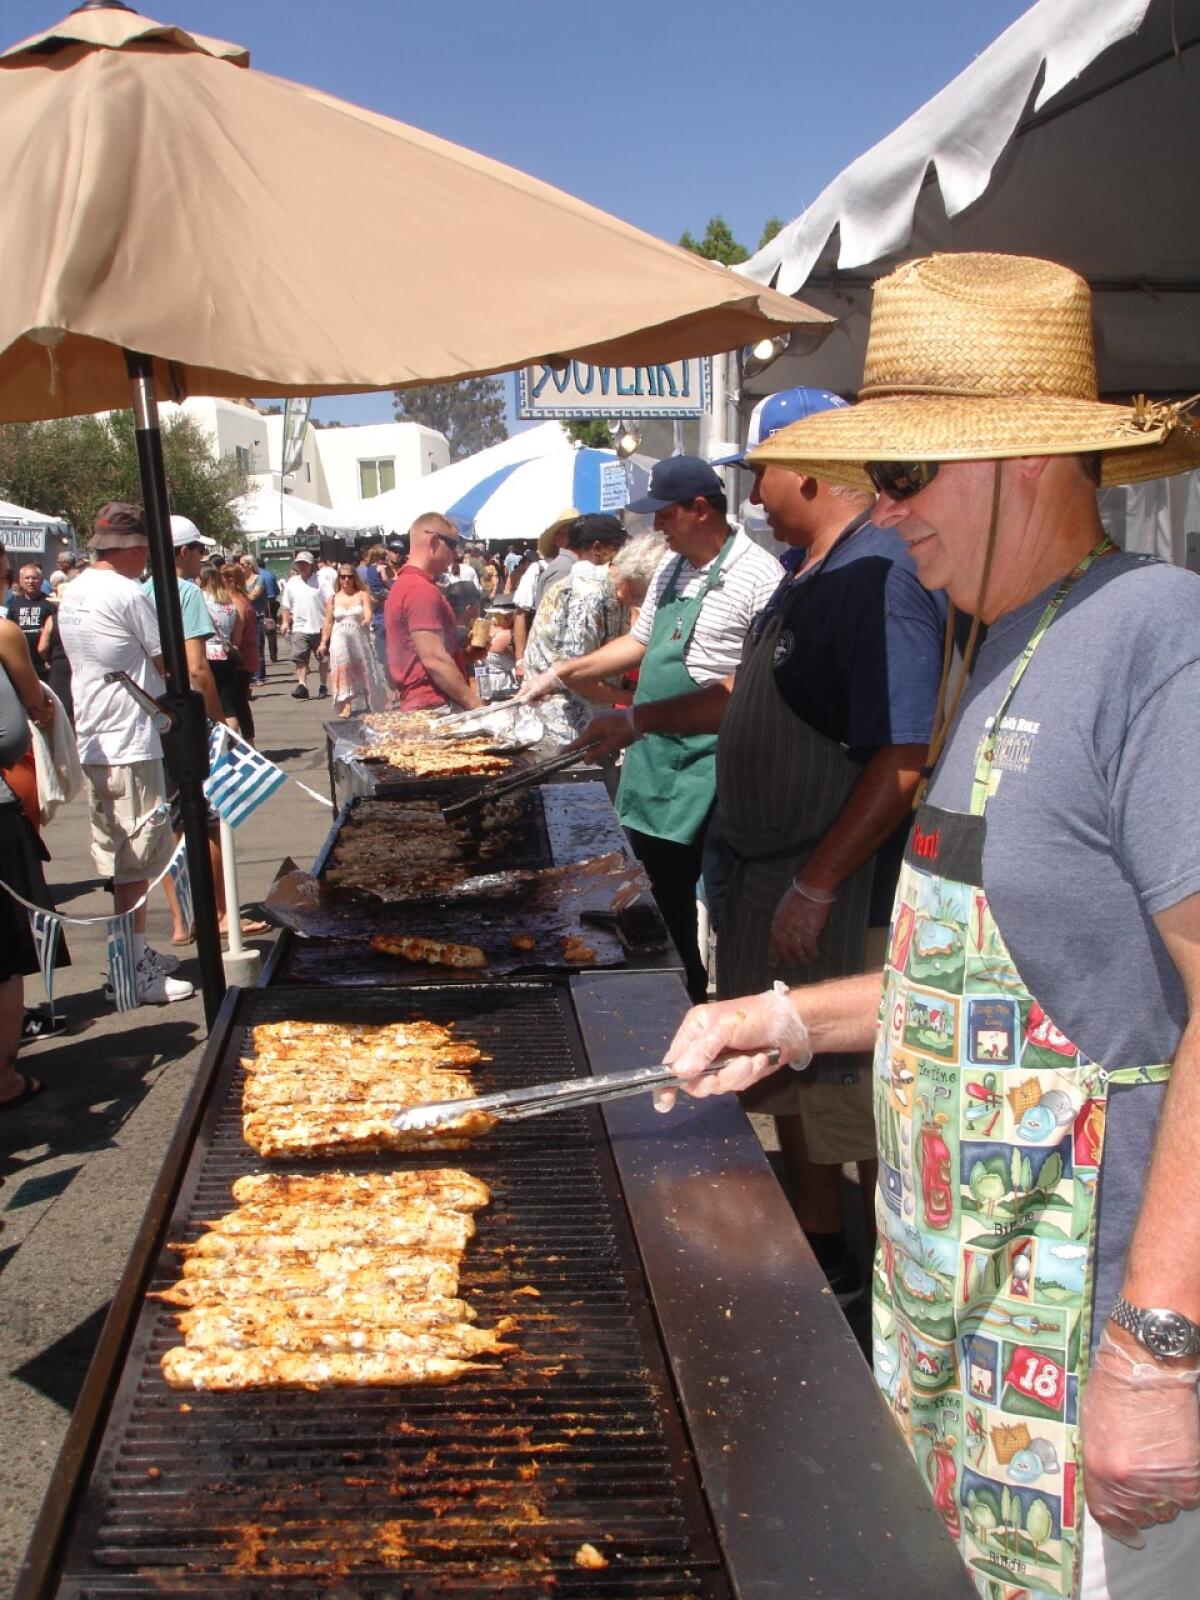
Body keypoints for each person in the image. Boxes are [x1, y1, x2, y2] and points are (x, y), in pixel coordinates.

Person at [656, 252, 1200, 1600]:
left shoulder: (1157, 641)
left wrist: (1157, 1348)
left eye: (906, 480)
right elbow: (990, 992)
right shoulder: (1003, 642)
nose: (890, 521)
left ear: (1023, 455)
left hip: (1083, 1328)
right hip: (952, 1296)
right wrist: (788, 1019)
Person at [580, 391, 947, 1306]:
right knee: (790, 1085)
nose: (753, 493)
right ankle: (818, 1245)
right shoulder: (803, 569)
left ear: (814, 467)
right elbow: (743, 696)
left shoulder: (880, 575)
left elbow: (905, 755)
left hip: (826, 876)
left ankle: (877, 1280)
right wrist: (640, 721)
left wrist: (818, 883)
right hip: (763, 865)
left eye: (762, 473)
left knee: (847, 1096)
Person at [522, 460, 782, 1000]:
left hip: (715, 768)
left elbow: (750, 688)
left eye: (664, 513)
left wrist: (633, 717)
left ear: (700, 509)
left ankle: (722, 1006)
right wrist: (563, 672)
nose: (657, 526)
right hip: (654, 760)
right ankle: (672, 998)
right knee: (656, 904)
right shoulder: (670, 568)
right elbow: (639, 643)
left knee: (721, 910)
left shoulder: (760, 577)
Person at [58, 504, 194, 1006]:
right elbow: (165, 661)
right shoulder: (126, 591)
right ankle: (131, 969)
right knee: (137, 858)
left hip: (96, 734)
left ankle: (130, 953)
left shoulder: (75, 590)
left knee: (121, 856)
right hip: (128, 737)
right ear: (134, 549)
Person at [0, 577, 64, 1104]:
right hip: (1, 807)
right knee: (6, 948)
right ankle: (3, 1078)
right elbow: (9, 734)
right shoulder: (2, 631)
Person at [522, 515, 630, 735]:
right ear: (599, 548)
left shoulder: (602, 588)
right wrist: (631, 699)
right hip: (564, 724)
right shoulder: (587, 592)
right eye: (621, 549)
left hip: (581, 719)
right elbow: (576, 675)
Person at [383, 514, 480, 711]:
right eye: (453, 545)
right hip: (434, 705)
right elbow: (434, 659)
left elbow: (418, 654)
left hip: (423, 703)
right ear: (434, 541)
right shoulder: (419, 589)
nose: (456, 554)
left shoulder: (407, 584)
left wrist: (465, 656)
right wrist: (476, 706)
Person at [318, 562, 386, 718]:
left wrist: (366, 621)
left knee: (365, 669)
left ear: (354, 578)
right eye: (343, 577)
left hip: (358, 637)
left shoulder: (362, 594)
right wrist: (323, 643)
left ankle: (371, 701)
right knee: (343, 670)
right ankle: (346, 704)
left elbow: (368, 613)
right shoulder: (333, 599)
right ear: (339, 579)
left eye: (349, 577)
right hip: (339, 640)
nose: (346, 580)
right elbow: (328, 622)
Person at [198, 563, 247, 736]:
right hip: (227, 655)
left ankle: (215, 746)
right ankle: (231, 745)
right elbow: (237, 636)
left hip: (206, 655)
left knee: (207, 705)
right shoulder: (229, 602)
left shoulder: (200, 598)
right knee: (228, 707)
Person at [278, 550, 329, 700]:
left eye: (305, 563)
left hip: (319, 625)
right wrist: (285, 622)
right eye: (300, 563)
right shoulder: (292, 582)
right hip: (300, 627)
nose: (302, 566)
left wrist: (329, 621)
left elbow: (329, 602)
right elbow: (286, 604)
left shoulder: (321, 580)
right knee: (300, 657)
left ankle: (323, 684)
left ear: (311, 565)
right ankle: (302, 685)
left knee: (323, 658)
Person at [224, 562, 259, 742]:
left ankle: (246, 742)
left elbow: (236, 637)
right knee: (241, 700)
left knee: (236, 701)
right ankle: (249, 741)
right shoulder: (245, 599)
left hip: (241, 656)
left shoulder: (236, 601)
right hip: (250, 653)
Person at [6, 563, 54, 681]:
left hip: (44, 665)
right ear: (20, 580)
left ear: (42, 580)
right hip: (22, 663)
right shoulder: (14, 605)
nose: (30, 581)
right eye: (27, 578)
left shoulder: (49, 604)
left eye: (35, 578)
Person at [532, 507, 581, 613]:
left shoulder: (567, 565)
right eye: (572, 533)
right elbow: (551, 616)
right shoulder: (564, 568)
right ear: (557, 539)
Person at [239, 553, 270, 683]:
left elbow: (254, 595)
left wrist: (238, 597)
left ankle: (259, 676)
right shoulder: (240, 581)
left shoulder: (259, 579)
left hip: (257, 617)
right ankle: (248, 674)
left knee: (257, 646)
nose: (239, 567)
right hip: (243, 617)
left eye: (242, 564)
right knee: (244, 646)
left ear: (250, 566)